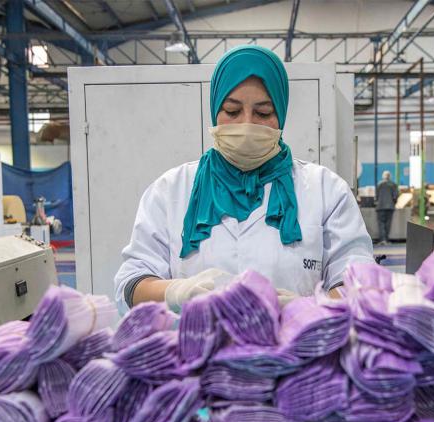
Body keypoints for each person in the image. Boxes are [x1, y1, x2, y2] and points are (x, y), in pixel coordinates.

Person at [114, 45, 374, 312]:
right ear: (215, 109)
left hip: (296, 350)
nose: (247, 124)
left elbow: (360, 286)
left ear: (281, 114)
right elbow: (131, 283)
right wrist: (174, 292)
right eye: (231, 110)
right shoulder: (170, 190)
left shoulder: (326, 191)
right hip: (197, 350)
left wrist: (307, 309)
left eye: (263, 113)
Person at [375, 170, 398, 245]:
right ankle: (386, 239)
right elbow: (395, 196)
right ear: (389, 176)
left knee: (381, 223)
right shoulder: (393, 184)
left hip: (380, 207)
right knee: (388, 223)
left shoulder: (379, 184)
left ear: (383, 176)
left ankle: (382, 239)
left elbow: (376, 196)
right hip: (390, 207)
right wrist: (393, 203)